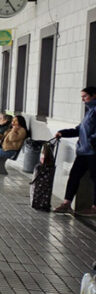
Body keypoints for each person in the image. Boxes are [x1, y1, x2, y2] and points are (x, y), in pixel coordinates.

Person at [53, 87, 96, 215]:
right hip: (83, 152)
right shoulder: (89, 112)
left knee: (95, 179)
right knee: (74, 176)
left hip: (93, 152)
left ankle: (94, 208)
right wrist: (63, 133)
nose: (82, 99)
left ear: (94, 95)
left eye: (85, 96)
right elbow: (80, 130)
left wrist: (92, 142)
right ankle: (66, 203)